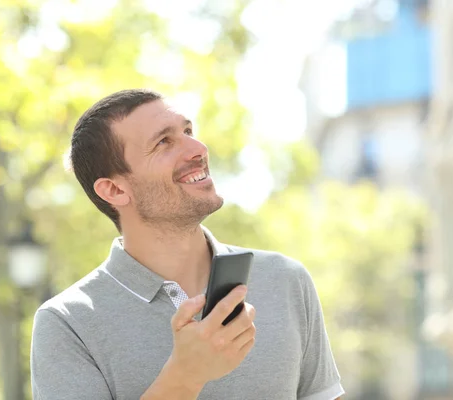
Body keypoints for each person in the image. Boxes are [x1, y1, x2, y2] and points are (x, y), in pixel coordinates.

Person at [30, 89, 344, 400]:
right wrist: (185, 376)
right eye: (164, 142)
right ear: (113, 190)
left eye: (188, 131)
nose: (197, 149)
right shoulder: (66, 324)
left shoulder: (285, 279)